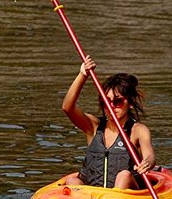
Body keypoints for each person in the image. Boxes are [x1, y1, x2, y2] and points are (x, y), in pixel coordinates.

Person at [60, 56, 155, 190]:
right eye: (106, 102)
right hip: (94, 197)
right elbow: (67, 108)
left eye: (118, 102)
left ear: (131, 103)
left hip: (126, 196)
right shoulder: (93, 127)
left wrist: (147, 163)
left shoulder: (138, 130)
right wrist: (82, 75)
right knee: (72, 181)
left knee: (124, 176)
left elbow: (150, 156)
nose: (111, 107)